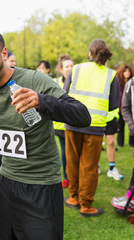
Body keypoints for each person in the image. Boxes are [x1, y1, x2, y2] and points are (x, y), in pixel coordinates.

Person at [0, 26, 91, 240]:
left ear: (4, 54)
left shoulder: (35, 81)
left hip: (41, 185)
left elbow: (82, 116)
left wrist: (42, 101)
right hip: (6, 182)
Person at [63, 39, 120, 217]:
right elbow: (112, 105)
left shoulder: (76, 69)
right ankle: (86, 205)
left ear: (89, 53)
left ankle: (73, 197)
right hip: (94, 126)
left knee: (72, 161)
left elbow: (64, 94)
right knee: (89, 166)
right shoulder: (111, 75)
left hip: (72, 123)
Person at [53, 54, 74, 188]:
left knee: (75, 152)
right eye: (67, 66)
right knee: (65, 152)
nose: (69, 68)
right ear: (61, 69)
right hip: (61, 126)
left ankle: (75, 177)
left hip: (74, 124)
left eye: (72, 66)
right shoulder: (55, 82)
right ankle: (66, 177)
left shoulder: (78, 81)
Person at [116, 64, 134, 148]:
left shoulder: (133, 82)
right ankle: (120, 143)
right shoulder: (118, 83)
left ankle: (132, 143)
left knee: (131, 126)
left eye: (128, 71)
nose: (127, 73)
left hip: (131, 107)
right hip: (120, 108)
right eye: (125, 71)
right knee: (120, 126)